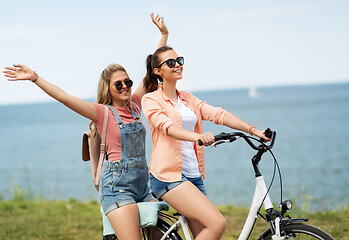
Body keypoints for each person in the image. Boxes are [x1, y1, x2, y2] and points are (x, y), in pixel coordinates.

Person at [3, 13, 169, 240]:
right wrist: (34, 77)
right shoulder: (102, 113)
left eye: (127, 82)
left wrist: (163, 35)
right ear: (108, 89)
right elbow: (64, 97)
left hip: (143, 186)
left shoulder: (136, 105)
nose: (124, 87)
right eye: (117, 84)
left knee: (164, 234)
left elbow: (152, 72)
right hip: (117, 189)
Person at [141, 46, 271, 240]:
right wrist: (198, 137)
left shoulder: (187, 98)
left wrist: (253, 131)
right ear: (158, 71)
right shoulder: (151, 100)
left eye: (179, 60)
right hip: (169, 177)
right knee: (217, 223)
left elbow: (218, 114)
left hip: (194, 176)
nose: (177, 65)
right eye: (171, 62)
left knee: (207, 235)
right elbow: (167, 127)